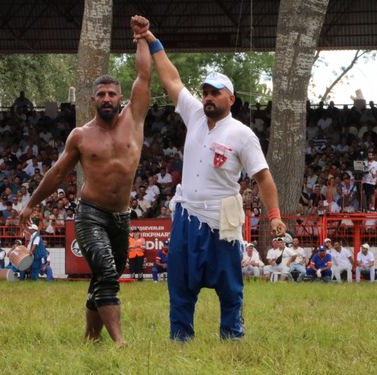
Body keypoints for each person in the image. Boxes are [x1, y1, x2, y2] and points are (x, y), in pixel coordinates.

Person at [134, 16, 286, 342]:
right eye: (204, 92)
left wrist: (274, 216)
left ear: (230, 98)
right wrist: (150, 38)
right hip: (187, 215)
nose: (207, 97)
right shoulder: (193, 116)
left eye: (215, 93)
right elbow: (171, 79)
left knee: (229, 283)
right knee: (180, 281)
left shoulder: (242, 135)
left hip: (223, 219)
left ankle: (232, 336)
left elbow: (264, 178)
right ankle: (181, 338)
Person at [18, 16, 151, 347]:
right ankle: (120, 342)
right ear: (93, 100)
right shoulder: (81, 136)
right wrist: (31, 204)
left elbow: (144, 76)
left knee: (105, 276)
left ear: (120, 98)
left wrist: (143, 38)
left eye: (111, 94)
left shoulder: (133, 119)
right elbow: (58, 173)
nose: (107, 99)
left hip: (121, 216)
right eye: (101, 94)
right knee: (107, 271)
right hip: (90, 213)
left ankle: (91, 339)